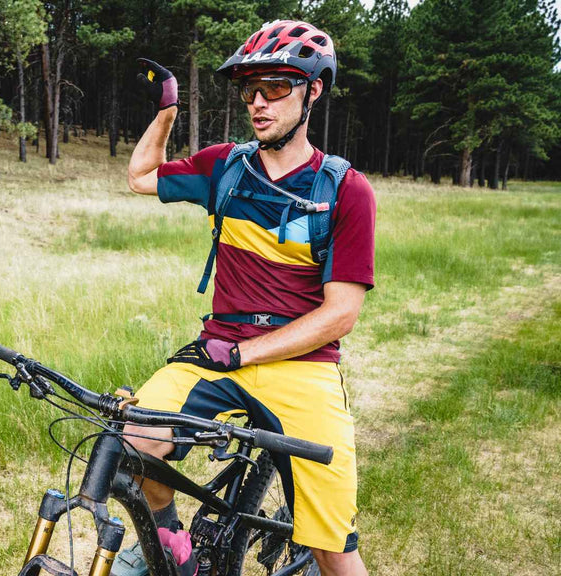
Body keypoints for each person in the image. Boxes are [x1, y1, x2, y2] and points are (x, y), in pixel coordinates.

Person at [119, 20, 375, 576]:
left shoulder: (345, 190)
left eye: (276, 88)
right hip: (219, 352)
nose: (258, 103)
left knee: (334, 547)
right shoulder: (225, 167)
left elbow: (341, 314)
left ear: (313, 91)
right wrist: (167, 111)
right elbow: (140, 175)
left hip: (301, 368)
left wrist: (245, 354)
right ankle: (174, 552)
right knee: (134, 441)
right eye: (249, 90)